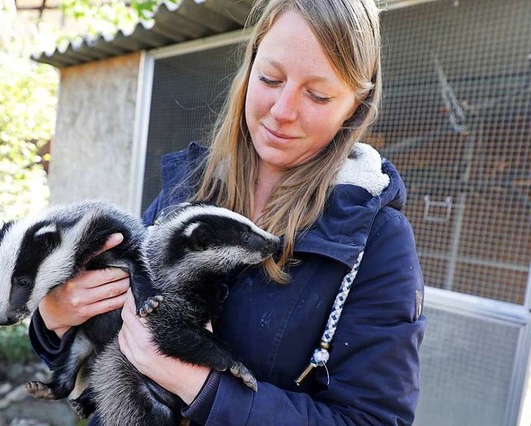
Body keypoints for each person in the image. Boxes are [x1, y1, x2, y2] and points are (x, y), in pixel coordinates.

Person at [28, 0, 426, 424]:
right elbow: (124, 326)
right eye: (271, 78)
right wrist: (56, 317)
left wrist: (200, 386)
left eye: (318, 94)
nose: (282, 111)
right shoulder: (189, 189)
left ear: (355, 105)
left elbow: (374, 418)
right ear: (249, 66)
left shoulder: (377, 241)